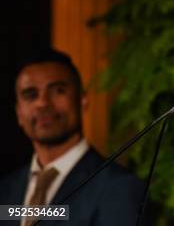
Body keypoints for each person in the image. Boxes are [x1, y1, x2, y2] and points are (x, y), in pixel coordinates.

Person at [0, 48, 147, 226]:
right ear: (18, 113)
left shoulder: (118, 188)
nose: (43, 103)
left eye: (58, 91)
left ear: (82, 100)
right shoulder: (6, 190)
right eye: (31, 95)